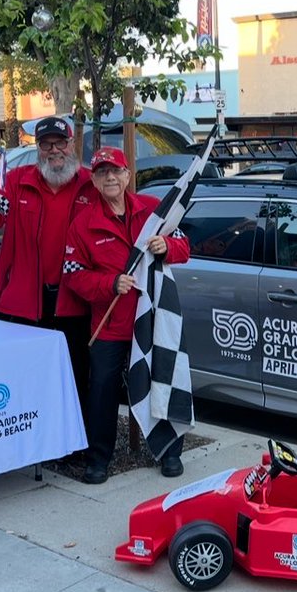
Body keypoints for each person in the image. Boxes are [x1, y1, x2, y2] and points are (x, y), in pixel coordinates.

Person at [61, 146, 191, 484]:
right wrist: (109, 283)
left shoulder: (152, 212)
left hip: (152, 320)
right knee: (102, 391)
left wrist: (168, 247)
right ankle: (98, 459)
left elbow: (184, 246)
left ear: (127, 175)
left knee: (160, 382)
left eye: (115, 171)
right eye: (102, 172)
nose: (110, 178)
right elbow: (73, 274)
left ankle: (169, 452)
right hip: (111, 323)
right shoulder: (83, 225)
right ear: (93, 179)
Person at [0, 115, 97, 439]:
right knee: (27, 376)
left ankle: (73, 442)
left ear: (71, 144)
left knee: (75, 374)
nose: (54, 150)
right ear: (37, 148)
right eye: (46, 144)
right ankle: (34, 441)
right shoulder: (15, 180)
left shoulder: (90, 183)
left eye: (60, 142)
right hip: (27, 300)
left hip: (74, 300)